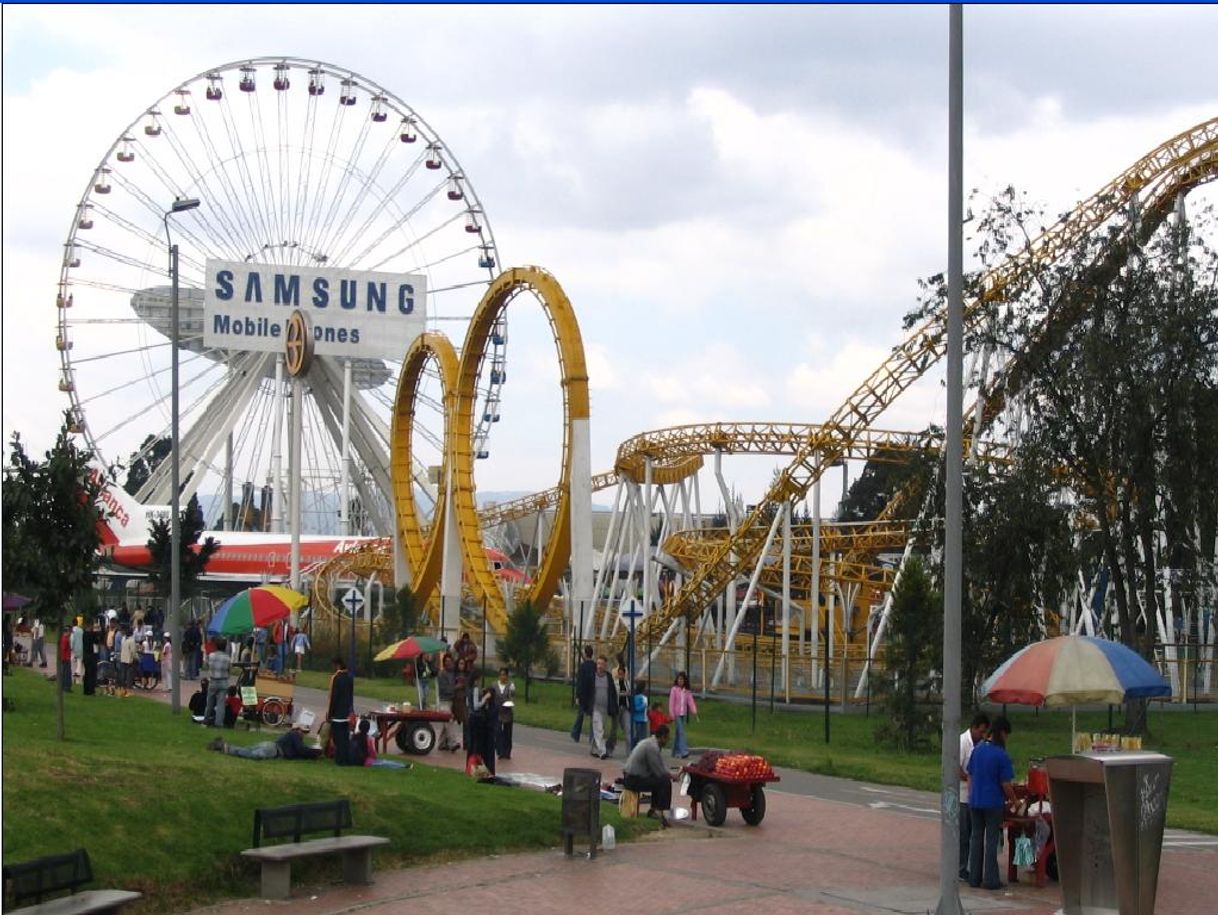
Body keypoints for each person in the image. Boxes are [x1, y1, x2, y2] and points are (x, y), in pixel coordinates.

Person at [967, 715, 1018, 891]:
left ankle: (974, 877)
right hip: (993, 803)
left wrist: (972, 795)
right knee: (991, 840)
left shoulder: (978, 749)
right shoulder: (1001, 755)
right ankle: (990, 879)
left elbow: (971, 775)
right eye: (1007, 735)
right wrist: (1015, 801)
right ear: (1002, 733)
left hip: (975, 800)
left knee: (976, 838)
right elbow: (1006, 784)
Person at [622, 723, 677, 827]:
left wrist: (670, 773)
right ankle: (660, 812)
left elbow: (660, 765)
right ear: (662, 737)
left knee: (660, 780)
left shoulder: (651, 743)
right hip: (633, 779)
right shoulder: (652, 747)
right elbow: (659, 771)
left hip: (632, 776)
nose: (668, 741)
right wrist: (672, 776)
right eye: (667, 738)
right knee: (664, 782)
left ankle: (654, 809)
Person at [958, 711, 991, 881]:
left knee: (972, 833)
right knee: (963, 833)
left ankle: (969, 866)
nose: (983, 735)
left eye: (985, 732)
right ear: (974, 728)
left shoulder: (981, 745)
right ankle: (960, 867)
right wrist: (970, 778)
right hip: (962, 794)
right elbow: (955, 768)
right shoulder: (963, 742)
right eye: (981, 731)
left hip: (974, 795)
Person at [208, 723, 324, 760]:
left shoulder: (292, 735)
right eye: (303, 731)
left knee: (248, 749)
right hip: (273, 750)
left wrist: (312, 753)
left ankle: (224, 746)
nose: (304, 734)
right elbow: (301, 750)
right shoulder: (294, 734)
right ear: (297, 729)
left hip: (271, 745)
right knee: (252, 755)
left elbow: (300, 751)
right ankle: (226, 748)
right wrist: (316, 752)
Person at [327, 656, 355, 765]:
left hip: (337, 714)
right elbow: (350, 696)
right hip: (346, 713)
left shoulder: (336, 678)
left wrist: (330, 714)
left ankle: (340, 759)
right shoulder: (349, 677)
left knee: (338, 739)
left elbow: (333, 697)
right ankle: (346, 758)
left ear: (337, 665)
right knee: (345, 738)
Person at [589, 655, 618, 760]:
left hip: (605, 708)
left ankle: (594, 749)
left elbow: (613, 693)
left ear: (606, 665)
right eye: (598, 663)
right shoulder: (592, 676)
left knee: (601, 730)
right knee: (599, 728)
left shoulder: (609, 677)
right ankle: (603, 751)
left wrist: (614, 707)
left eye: (602, 664)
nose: (599, 666)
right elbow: (587, 690)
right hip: (595, 707)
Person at [667, 671, 698, 759]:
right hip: (676, 714)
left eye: (682, 679)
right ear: (677, 680)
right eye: (679, 679)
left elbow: (690, 701)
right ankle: (684, 751)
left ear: (685, 681)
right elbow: (671, 702)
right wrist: (671, 714)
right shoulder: (674, 689)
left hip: (682, 714)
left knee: (678, 733)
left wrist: (694, 711)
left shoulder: (686, 691)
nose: (680, 681)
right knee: (681, 732)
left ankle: (674, 751)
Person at [469, 685, 497, 776]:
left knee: (489, 754)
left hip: (489, 733)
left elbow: (491, 720)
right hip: (483, 733)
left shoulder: (493, 707)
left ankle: (490, 771)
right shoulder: (484, 706)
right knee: (482, 754)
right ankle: (482, 771)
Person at [570, 645, 595, 743]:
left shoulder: (582, 667)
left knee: (580, 715)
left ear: (585, 653)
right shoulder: (594, 666)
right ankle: (592, 738)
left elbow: (579, 682)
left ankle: (576, 733)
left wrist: (577, 696)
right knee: (593, 717)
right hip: (592, 694)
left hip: (583, 694)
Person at [204, 637, 231, 727]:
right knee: (221, 704)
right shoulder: (227, 658)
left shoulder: (211, 655)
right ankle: (218, 723)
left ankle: (206, 719)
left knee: (209, 702)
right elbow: (229, 669)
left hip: (213, 680)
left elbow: (207, 665)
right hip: (223, 681)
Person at [436, 655, 461, 752]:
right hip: (444, 701)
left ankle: (441, 743)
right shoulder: (441, 674)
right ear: (444, 663)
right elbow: (444, 689)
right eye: (446, 661)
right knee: (448, 721)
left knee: (445, 724)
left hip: (452, 701)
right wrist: (456, 687)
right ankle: (453, 743)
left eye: (450, 661)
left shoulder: (453, 674)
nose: (448, 663)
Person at [607, 663, 630, 755]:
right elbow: (614, 694)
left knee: (628, 730)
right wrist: (623, 693)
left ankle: (629, 752)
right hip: (616, 709)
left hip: (625, 708)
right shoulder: (615, 683)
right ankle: (609, 749)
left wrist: (627, 693)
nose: (621, 676)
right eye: (619, 674)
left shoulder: (627, 683)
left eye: (622, 674)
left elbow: (630, 693)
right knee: (614, 730)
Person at [494, 667, 517, 760]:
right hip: (498, 711)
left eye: (504, 675)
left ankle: (507, 752)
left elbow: (512, 697)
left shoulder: (511, 685)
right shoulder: (494, 685)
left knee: (507, 733)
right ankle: (499, 751)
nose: (503, 677)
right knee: (498, 732)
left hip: (507, 711)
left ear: (507, 676)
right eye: (501, 675)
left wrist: (510, 702)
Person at [119, 625, 139, 698]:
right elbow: (133, 652)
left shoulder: (123, 639)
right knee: (129, 676)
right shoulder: (132, 641)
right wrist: (136, 658)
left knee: (123, 675)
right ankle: (128, 691)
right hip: (129, 660)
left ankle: (122, 689)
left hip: (123, 659)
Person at [81, 623, 99, 696]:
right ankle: (91, 690)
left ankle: (86, 690)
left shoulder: (84, 634)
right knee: (92, 674)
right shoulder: (92, 634)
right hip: (91, 656)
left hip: (85, 655)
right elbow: (96, 641)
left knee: (87, 673)